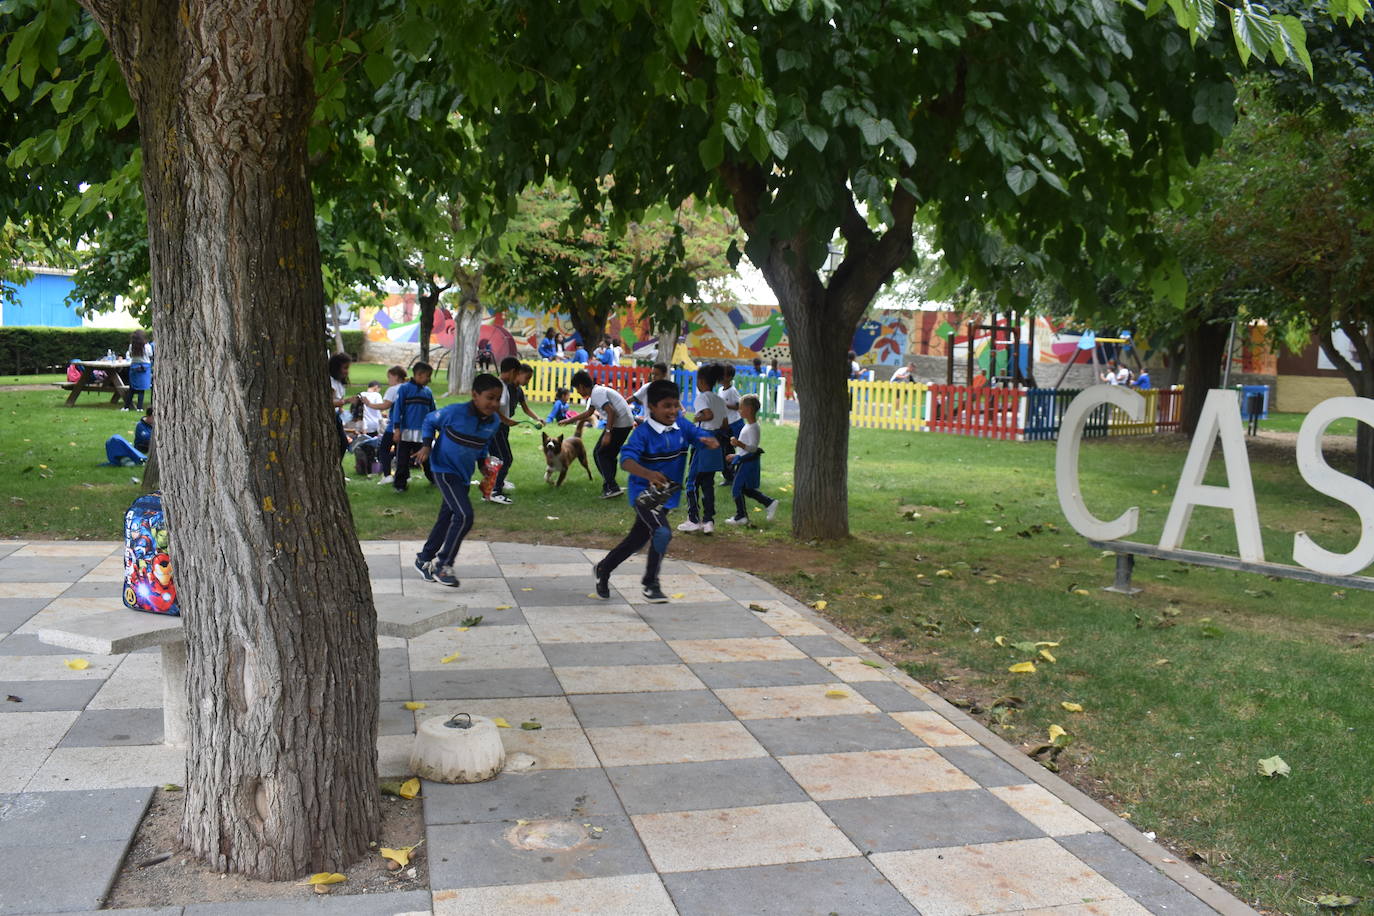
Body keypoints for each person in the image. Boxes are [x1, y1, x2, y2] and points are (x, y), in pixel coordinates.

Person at [592, 378, 720, 603]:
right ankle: (651, 584)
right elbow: (626, 461)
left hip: (666, 495)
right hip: (644, 494)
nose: (672, 410)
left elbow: (694, 436)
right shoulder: (643, 434)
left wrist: (707, 440)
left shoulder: (681, 424)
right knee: (662, 532)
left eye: (675, 405)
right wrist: (649, 475)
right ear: (652, 407)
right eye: (666, 406)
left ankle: (604, 568)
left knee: (637, 540)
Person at [412, 373, 504, 587]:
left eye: (498, 399)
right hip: (443, 469)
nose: (494, 403)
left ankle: (423, 558)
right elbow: (429, 420)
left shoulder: (494, 421)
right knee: (464, 516)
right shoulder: (454, 412)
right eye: (489, 397)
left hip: (464, 474)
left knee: (447, 517)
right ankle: (443, 566)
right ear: (474, 395)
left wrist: (484, 465)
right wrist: (426, 445)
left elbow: (482, 445)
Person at [560, 369, 634, 498]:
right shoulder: (596, 392)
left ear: (582, 386)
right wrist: (569, 420)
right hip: (624, 423)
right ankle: (610, 485)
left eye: (577, 389)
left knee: (600, 453)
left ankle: (611, 486)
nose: (577, 392)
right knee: (608, 455)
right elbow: (589, 413)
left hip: (620, 424)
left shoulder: (597, 393)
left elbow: (611, 412)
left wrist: (608, 433)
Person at [680, 364, 726, 534]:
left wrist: (697, 417)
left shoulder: (701, 398)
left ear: (700, 381)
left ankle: (693, 519)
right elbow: (725, 424)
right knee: (708, 483)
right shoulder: (719, 399)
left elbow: (708, 415)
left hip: (703, 441)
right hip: (717, 441)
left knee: (691, 481)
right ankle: (708, 521)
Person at [724, 394, 781, 525]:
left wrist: (738, 444)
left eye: (741, 408)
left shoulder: (754, 427)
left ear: (749, 409)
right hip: (744, 461)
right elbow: (746, 449)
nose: (739, 410)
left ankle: (741, 516)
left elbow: (753, 448)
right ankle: (769, 503)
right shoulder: (748, 426)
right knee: (746, 489)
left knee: (736, 488)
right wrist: (736, 455)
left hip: (747, 463)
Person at [389, 361, 436, 492]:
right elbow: (397, 409)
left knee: (426, 459)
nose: (429, 379)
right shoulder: (404, 389)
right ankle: (400, 485)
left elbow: (433, 411)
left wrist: (435, 426)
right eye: (428, 376)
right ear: (419, 375)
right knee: (402, 460)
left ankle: (435, 480)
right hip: (406, 431)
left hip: (423, 433)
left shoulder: (428, 392)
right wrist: (397, 429)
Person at [484, 356, 523, 505]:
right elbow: (493, 408)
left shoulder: (503, 386)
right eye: (517, 374)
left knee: (500, 459)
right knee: (503, 459)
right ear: (512, 372)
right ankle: (494, 491)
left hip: (499, 427)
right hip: (495, 428)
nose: (516, 378)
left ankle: (489, 490)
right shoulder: (499, 386)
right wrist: (506, 420)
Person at [375, 366, 407, 485]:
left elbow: (385, 405)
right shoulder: (407, 388)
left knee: (383, 449)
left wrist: (369, 404)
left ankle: (387, 475)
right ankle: (404, 475)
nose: (388, 380)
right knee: (401, 451)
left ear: (396, 376)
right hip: (406, 425)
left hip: (394, 426)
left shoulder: (393, 390)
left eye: (389, 377)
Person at [717, 364, 743, 484]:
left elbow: (739, 405)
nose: (720, 377)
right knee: (725, 451)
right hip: (724, 425)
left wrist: (725, 405)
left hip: (735, 424)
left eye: (723, 374)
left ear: (729, 377)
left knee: (740, 450)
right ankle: (729, 476)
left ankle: (741, 475)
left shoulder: (732, 391)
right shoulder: (720, 390)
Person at [123, 329, 154, 411]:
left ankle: (126, 407)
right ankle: (139, 407)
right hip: (145, 367)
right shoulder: (147, 346)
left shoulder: (131, 346)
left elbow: (130, 354)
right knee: (142, 388)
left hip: (134, 366)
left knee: (132, 388)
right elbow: (150, 354)